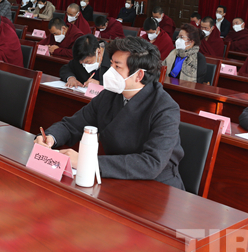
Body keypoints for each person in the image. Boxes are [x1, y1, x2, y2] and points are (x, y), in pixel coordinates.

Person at [36, 37, 185, 189]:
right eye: (111, 64)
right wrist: (50, 137)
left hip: (156, 186)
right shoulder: (110, 95)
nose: (110, 71)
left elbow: (151, 163)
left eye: (117, 67)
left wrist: (86, 161)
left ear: (139, 75)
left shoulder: (165, 108)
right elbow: (73, 124)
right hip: (115, 177)